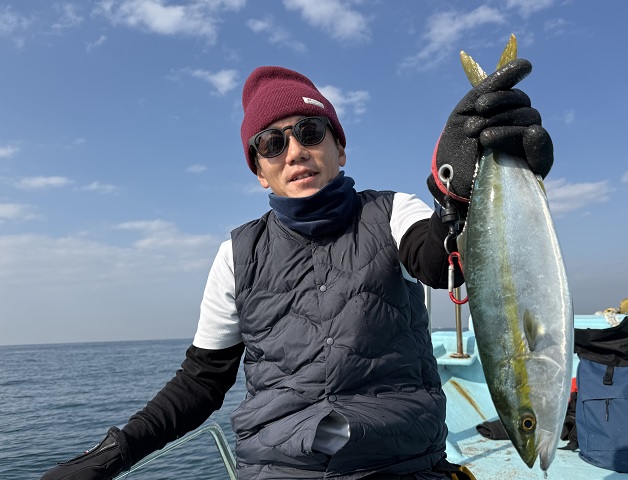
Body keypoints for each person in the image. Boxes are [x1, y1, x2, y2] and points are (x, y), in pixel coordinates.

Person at [41, 59, 552, 480]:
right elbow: (201, 383)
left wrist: (459, 191)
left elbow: (443, 262)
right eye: (272, 143)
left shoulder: (394, 211)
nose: (295, 152)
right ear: (259, 171)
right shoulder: (235, 255)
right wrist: (114, 453)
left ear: (339, 148)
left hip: (400, 466)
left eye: (310, 131)